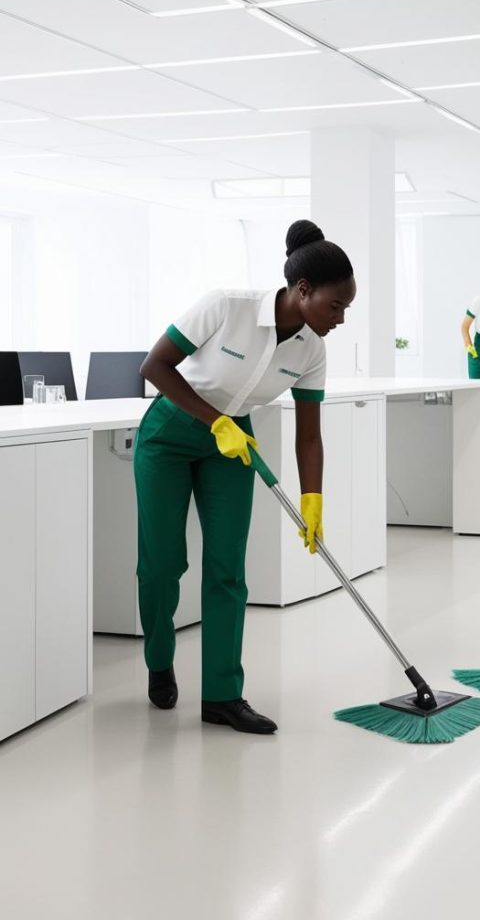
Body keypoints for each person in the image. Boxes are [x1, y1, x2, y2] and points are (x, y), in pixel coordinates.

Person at [134, 220, 355, 734]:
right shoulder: (227, 305)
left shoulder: (312, 351)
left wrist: (313, 500)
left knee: (228, 569)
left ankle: (222, 696)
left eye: (346, 309)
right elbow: (155, 366)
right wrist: (216, 423)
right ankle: (159, 660)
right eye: (335, 306)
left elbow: (308, 435)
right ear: (303, 291)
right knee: (163, 563)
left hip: (233, 448)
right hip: (171, 432)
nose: (341, 319)